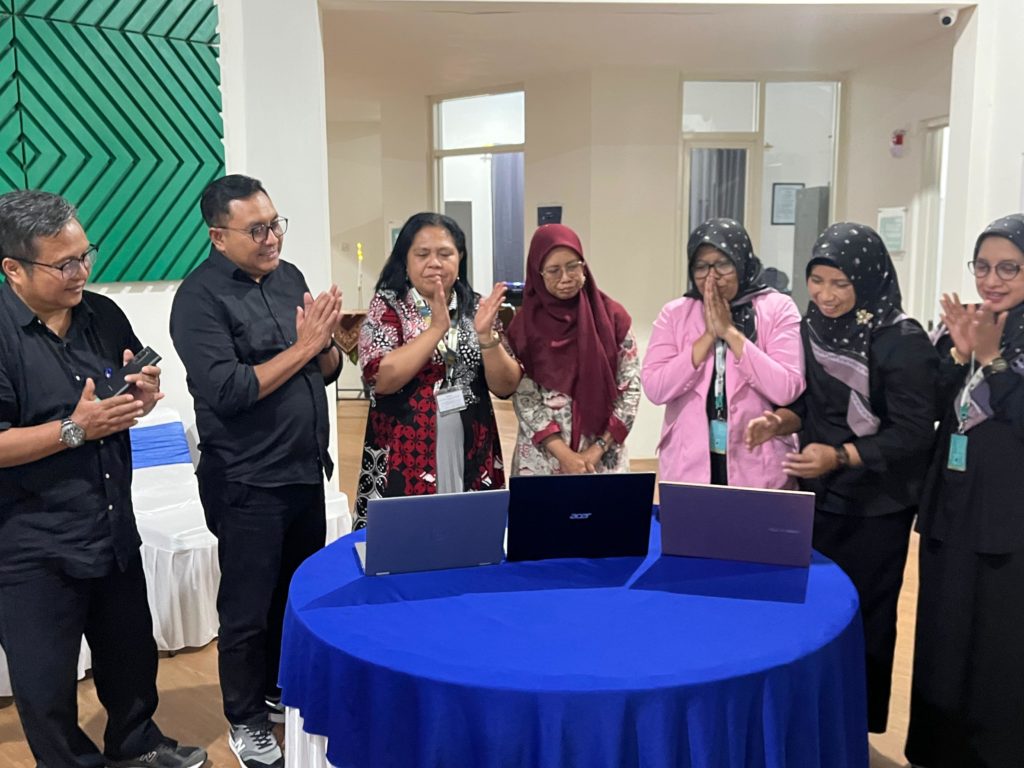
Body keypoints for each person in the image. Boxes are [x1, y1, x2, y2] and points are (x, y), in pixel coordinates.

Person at [0, 190, 206, 768]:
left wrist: (141, 395)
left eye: (85, 255)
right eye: (63, 264)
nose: (82, 272)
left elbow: (124, 388)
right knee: (46, 684)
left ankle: (136, 743)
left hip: (111, 520)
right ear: (13, 268)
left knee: (130, 655)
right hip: (31, 542)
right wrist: (75, 429)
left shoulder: (102, 315)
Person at [169, 175, 343, 768]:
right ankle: (245, 719)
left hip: (303, 468)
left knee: (292, 596)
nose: (272, 239)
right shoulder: (198, 299)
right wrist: (305, 348)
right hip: (246, 478)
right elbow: (230, 390)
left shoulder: (289, 277)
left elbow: (323, 370)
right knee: (246, 609)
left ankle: (276, 689)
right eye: (257, 230)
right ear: (219, 236)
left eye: (275, 225)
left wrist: (328, 345)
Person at [745, 222, 938, 734]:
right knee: (813, 612)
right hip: (818, 494)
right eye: (817, 280)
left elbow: (914, 433)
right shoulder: (813, 328)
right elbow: (811, 403)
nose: (825, 295)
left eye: (840, 283)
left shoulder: (901, 340)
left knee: (864, 620)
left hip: (877, 505)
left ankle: (853, 730)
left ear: (868, 280)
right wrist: (779, 421)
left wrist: (841, 455)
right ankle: (809, 725)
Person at [905, 214, 1024, 768]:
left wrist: (995, 361)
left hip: (1008, 518)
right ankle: (939, 750)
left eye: (1009, 268)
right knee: (943, 631)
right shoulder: (966, 323)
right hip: (952, 506)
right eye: (982, 266)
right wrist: (955, 355)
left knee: (997, 641)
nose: (991, 280)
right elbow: (927, 409)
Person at [355, 212, 520, 525]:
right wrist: (436, 329)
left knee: (469, 535)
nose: (434, 263)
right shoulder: (388, 305)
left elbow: (506, 386)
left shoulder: (477, 307)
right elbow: (380, 378)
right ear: (405, 260)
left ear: (460, 258)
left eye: (445, 254)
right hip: (402, 452)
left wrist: (486, 338)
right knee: (407, 541)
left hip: (472, 448)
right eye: (422, 254)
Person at [642, 218, 804, 488]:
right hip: (689, 462)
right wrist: (708, 336)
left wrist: (730, 332)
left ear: (741, 262)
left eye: (723, 264)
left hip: (758, 461)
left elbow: (786, 389)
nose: (712, 276)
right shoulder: (675, 314)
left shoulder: (778, 308)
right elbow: (656, 389)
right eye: (701, 267)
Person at [505, 224, 638, 475]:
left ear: (584, 267)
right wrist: (564, 455)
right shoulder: (522, 328)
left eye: (573, 266)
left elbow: (630, 389)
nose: (565, 278)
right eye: (553, 270)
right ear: (538, 273)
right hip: (543, 460)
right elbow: (524, 397)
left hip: (602, 458)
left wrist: (597, 450)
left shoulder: (613, 318)